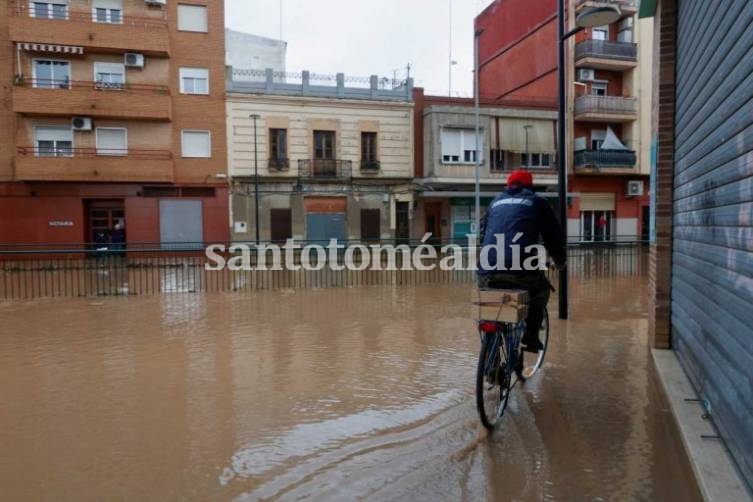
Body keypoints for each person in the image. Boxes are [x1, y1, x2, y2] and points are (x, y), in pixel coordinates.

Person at [477, 169, 566, 353]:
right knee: (540, 292)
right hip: (521, 269)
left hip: (487, 269)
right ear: (530, 186)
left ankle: (491, 348)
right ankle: (530, 338)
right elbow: (553, 237)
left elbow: (482, 234)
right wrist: (559, 261)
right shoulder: (538, 202)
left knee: (489, 305)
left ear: (508, 185)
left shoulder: (495, 202)